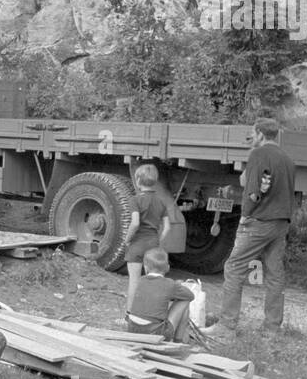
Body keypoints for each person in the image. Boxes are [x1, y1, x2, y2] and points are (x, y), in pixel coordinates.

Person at [203, 117, 297, 336]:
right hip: (281, 222)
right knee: (274, 274)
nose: (251, 137)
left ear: (261, 134)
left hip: (258, 221)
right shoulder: (287, 159)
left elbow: (253, 191)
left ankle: (226, 326)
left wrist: (245, 216)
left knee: (234, 268)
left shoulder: (258, 154)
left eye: (253, 134)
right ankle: (271, 329)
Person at [122, 163, 169, 310]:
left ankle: (130, 315)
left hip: (137, 245)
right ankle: (150, 313)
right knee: (153, 282)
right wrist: (157, 242)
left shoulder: (135, 200)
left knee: (134, 282)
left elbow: (135, 223)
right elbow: (167, 227)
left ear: (137, 181)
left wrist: (127, 240)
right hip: (153, 245)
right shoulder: (161, 202)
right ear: (155, 181)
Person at [125, 248, 195, 341]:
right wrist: (178, 285)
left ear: (145, 267)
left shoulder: (140, 280)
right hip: (154, 333)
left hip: (132, 329)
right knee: (184, 301)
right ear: (168, 268)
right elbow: (190, 296)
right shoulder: (170, 284)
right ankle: (178, 341)